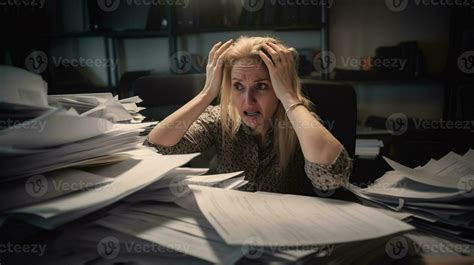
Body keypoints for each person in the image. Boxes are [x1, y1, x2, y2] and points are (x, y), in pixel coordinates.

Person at [146, 36, 352, 195]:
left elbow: (333, 177)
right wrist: (207, 93)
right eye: (238, 86)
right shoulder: (220, 118)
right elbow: (157, 150)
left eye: (261, 86)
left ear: (279, 88)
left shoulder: (299, 122)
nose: (248, 100)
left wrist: (289, 96)